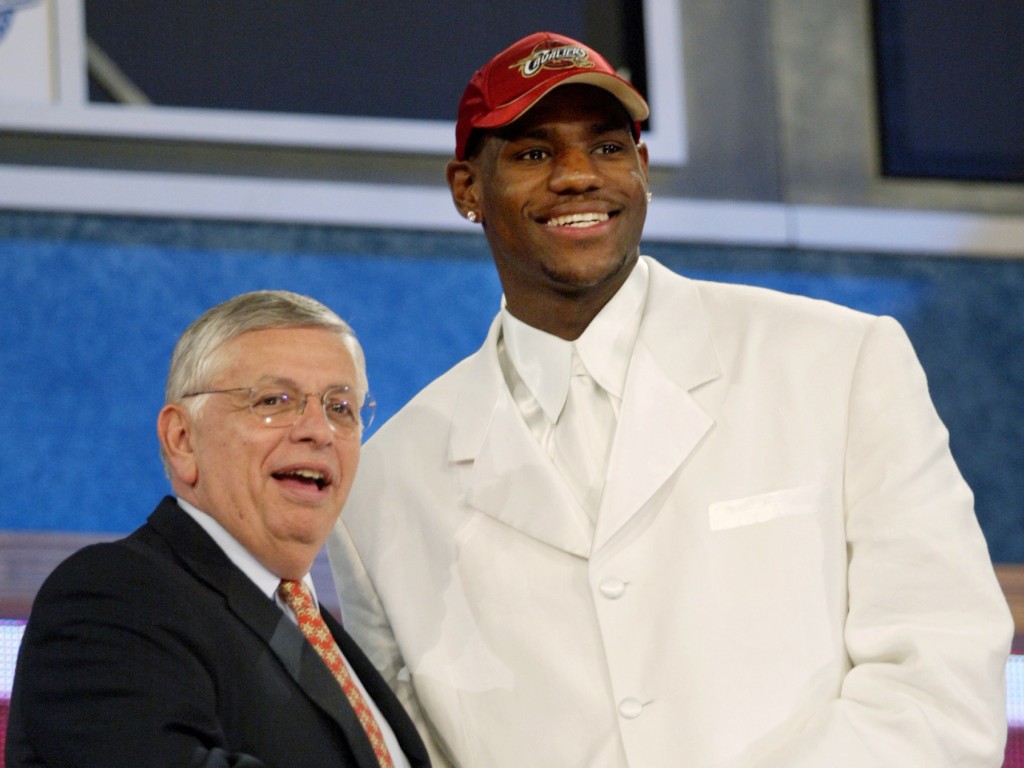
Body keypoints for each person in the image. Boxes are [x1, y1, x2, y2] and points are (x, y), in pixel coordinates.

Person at [326, 31, 1014, 768]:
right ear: (467, 189)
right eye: (533, 154)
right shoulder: (383, 486)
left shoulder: (837, 362)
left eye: (608, 148)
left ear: (643, 169)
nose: (578, 176)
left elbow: (941, 668)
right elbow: (402, 752)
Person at [6, 291, 431, 768]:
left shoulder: (313, 630)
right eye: (275, 400)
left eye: (341, 408)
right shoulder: (114, 596)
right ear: (182, 439)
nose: (319, 430)